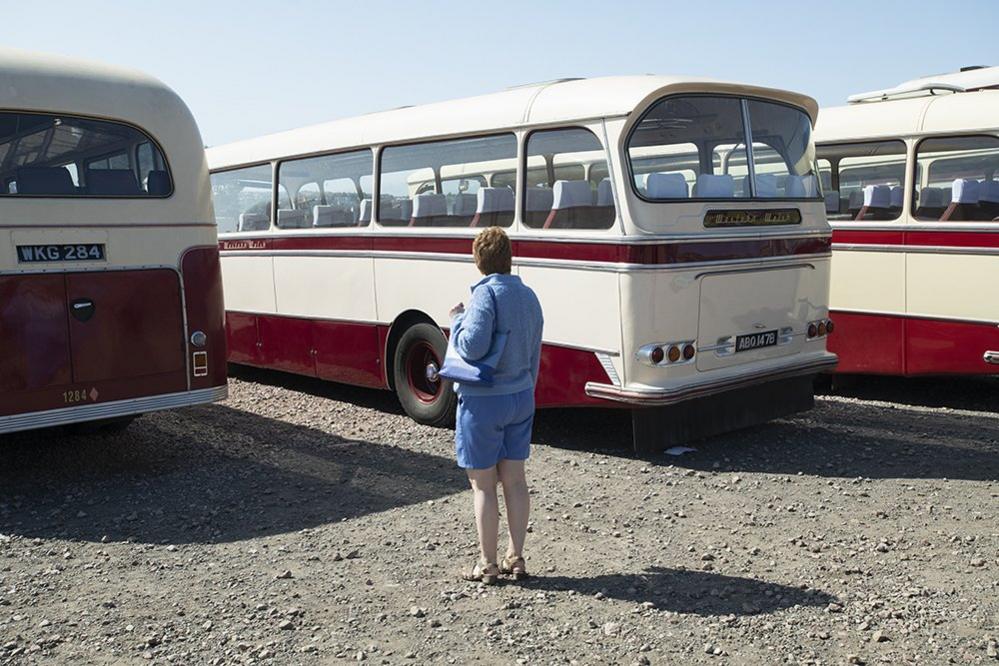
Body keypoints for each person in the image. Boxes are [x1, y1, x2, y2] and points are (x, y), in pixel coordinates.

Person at [448, 226, 543, 584]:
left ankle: (487, 564)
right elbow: (535, 350)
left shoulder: (485, 296)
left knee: (484, 485)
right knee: (516, 482)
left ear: (478, 261)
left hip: (484, 401)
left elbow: (471, 347)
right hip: (521, 396)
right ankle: (516, 557)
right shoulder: (530, 296)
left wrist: (457, 320)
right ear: (510, 258)